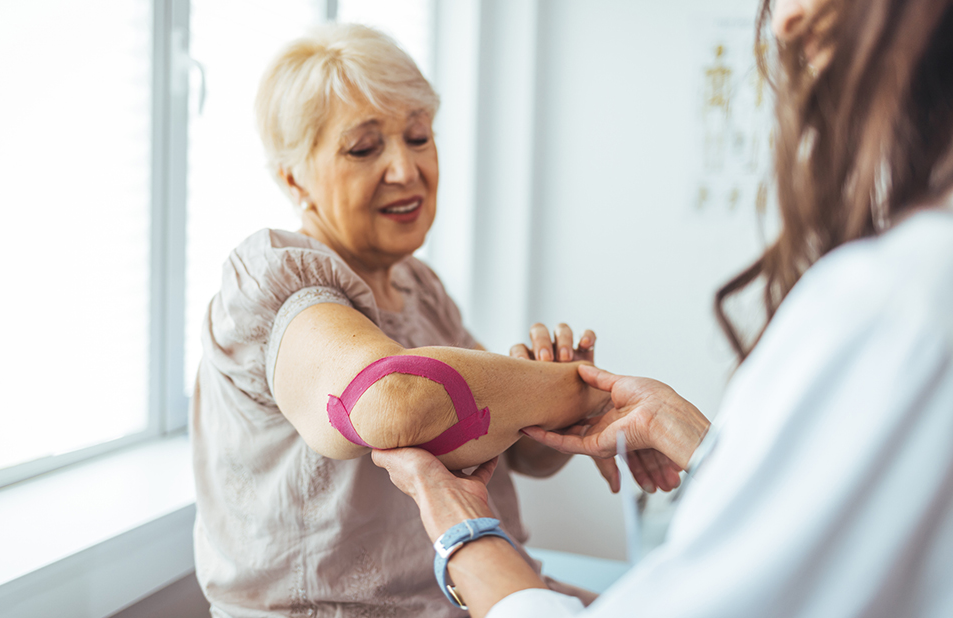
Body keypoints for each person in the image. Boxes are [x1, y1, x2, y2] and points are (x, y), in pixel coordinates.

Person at [372, 0, 953, 616]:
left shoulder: (895, 302)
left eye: (418, 138)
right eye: (362, 147)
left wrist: (464, 533)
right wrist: (697, 441)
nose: (785, 19)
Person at [190, 23, 674, 618]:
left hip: (468, 593)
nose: (405, 169)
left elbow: (521, 452)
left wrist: (575, 406)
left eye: (419, 137)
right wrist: (570, 392)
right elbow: (391, 400)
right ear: (294, 178)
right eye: (364, 149)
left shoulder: (420, 287)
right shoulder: (268, 278)